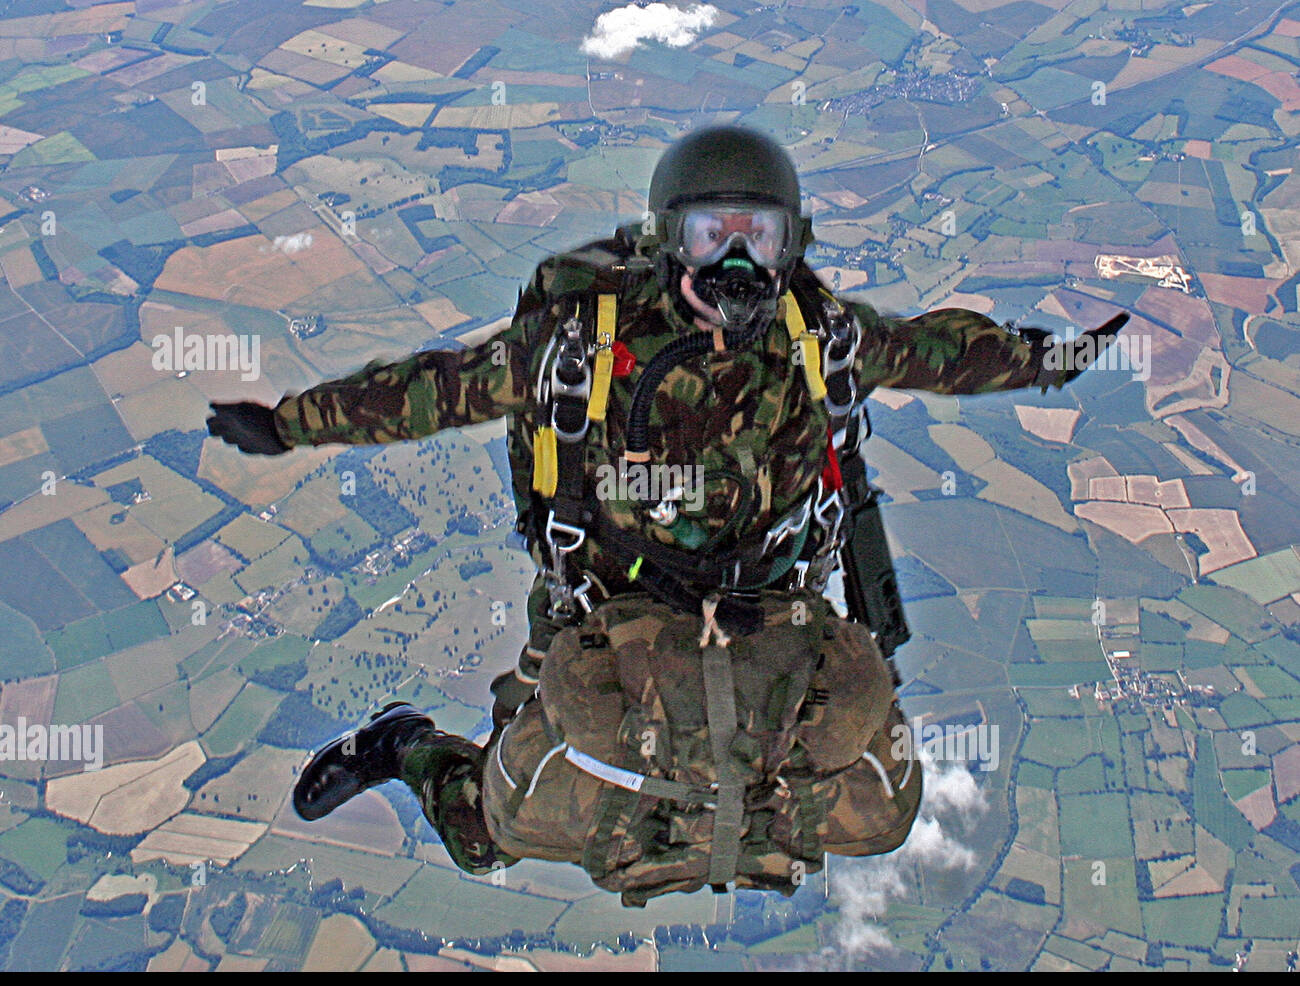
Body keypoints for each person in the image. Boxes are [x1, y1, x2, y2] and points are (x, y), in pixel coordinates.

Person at [208, 126, 1126, 904]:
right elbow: (432, 392)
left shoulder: (817, 336)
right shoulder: (584, 344)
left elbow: (940, 352)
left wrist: (1050, 357)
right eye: (709, 236)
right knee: (494, 831)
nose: (735, 263)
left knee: (834, 802)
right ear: (665, 242)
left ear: (790, 243)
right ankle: (404, 746)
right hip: (600, 603)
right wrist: (289, 424)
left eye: (758, 238)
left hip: (770, 605)